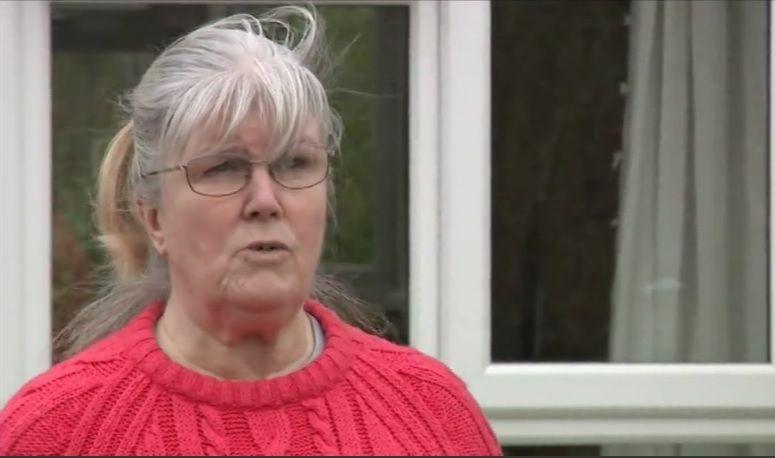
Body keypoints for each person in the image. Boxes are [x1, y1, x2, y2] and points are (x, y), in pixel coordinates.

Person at [0, 5, 501, 456]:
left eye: (296, 163)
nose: (266, 200)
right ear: (154, 219)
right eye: (223, 168)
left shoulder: (432, 413)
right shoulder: (55, 430)